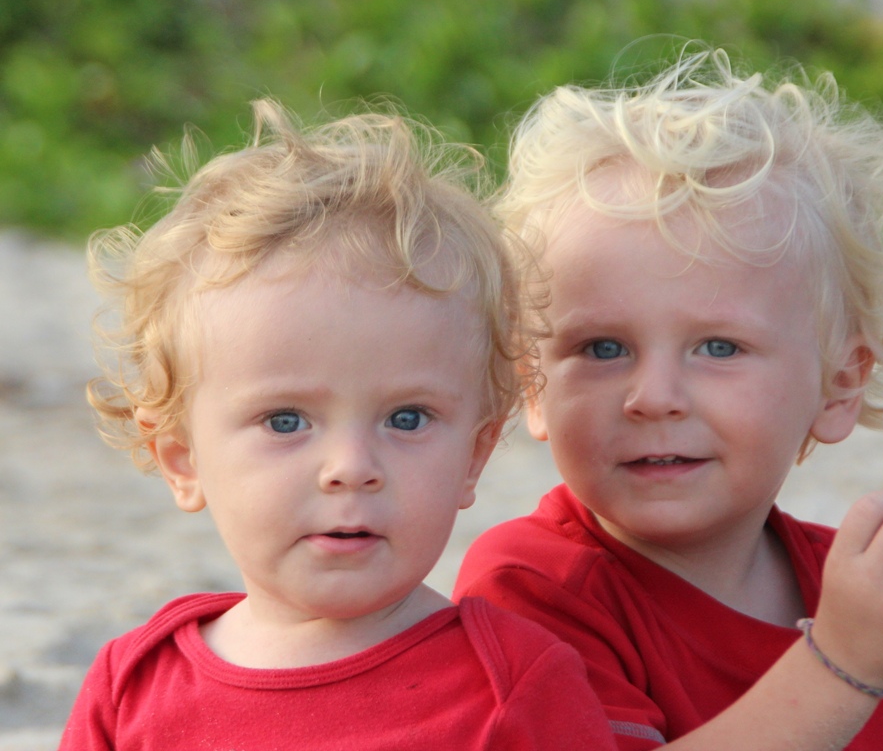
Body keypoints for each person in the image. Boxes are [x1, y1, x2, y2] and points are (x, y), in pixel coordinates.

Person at [454, 45, 883, 750]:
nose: (654, 398)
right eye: (603, 348)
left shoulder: (868, 593)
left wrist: (869, 639)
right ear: (533, 383)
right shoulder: (531, 589)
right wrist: (846, 667)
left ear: (841, 383)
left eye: (719, 348)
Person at [58, 100, 620, 749]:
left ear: (474, 454)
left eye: (406, 418)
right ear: (182, 459)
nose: (351, 467)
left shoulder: (515, 686)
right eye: (285, 421)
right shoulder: (132, 687)